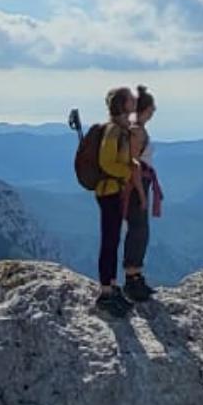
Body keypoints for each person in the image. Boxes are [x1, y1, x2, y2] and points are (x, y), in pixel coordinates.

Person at [93, 86, 137, 313]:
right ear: (123, 104)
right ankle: (105, 293)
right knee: (109, 241)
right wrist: (128, 171)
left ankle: (111, 284)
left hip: (113, 190)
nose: (134, 101)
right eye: (130, 99)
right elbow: (105, 162)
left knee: (113, 239)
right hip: (109, 191)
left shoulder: (120, 129)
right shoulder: (113, 131)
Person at [121, 86, 160, 302]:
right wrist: (142, 195)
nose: (154, 111)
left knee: (140, 231)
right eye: (152, 107)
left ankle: (136, 276)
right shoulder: (136, 131)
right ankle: (131, 280)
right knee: (138, 230)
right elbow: (134, 165)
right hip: (136, 186)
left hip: (139, 184)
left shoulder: (136, 129)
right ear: (144, 109)